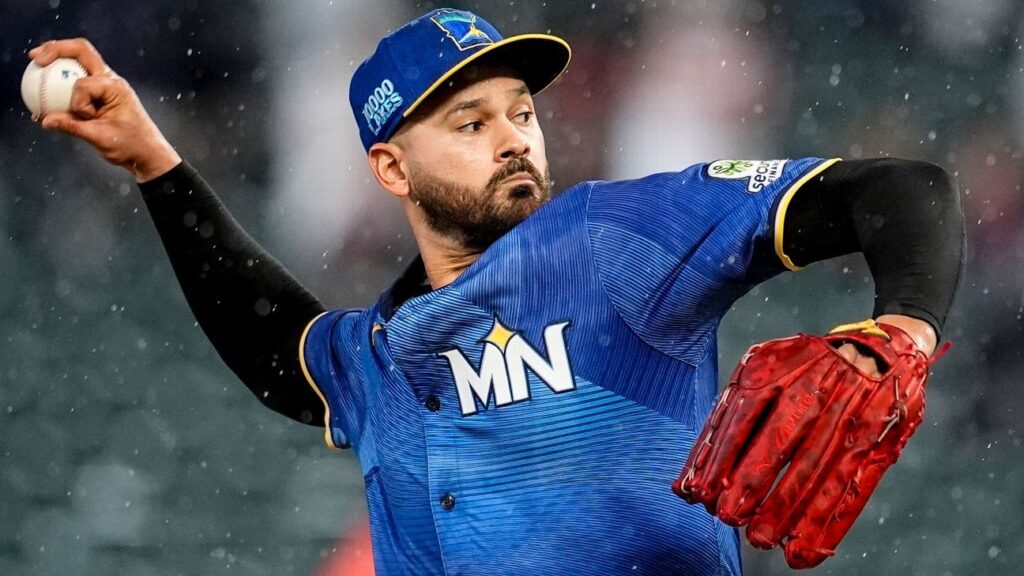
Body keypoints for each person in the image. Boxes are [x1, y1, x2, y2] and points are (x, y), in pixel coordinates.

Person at [29, 8, 963, 575]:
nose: (515, 137)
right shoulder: (383, 356)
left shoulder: (612, 237)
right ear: (391, 169)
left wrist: (904, 332)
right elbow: (279, 346)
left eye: (522, 112)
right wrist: (154, 162)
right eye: (470, 121)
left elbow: (901, 191)